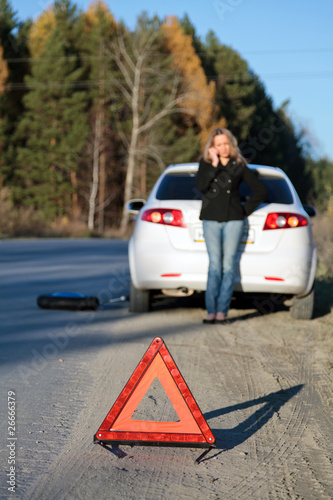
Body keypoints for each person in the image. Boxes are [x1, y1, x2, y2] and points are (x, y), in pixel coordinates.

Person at [196, 127, 268, 324]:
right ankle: (211, 311)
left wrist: (243, 211)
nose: (223, 147)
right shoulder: (206, 164)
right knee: (214, 266)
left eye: (226, 143)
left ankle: (222, 312)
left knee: (228, 266)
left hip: (233, 220)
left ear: (231, 143)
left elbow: (261, 191)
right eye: (219, 144)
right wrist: (215, 164)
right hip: (211, 219)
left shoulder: (239, 165)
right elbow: (201, 186)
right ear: (213, 147)